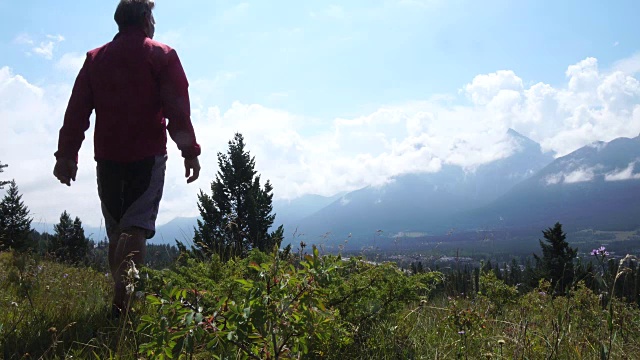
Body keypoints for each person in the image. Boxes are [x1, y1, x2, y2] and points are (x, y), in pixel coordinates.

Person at [53, 0, 201, 316]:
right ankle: (125, 304)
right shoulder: (161, 55)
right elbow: (177, 109)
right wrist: (190, 152)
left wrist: (66, 155)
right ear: (147, 19)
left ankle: (120, 299)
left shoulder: (96, 59)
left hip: (106, 157)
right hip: (146, 156)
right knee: (135, 226)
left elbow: (77, 110)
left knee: (118, 229)